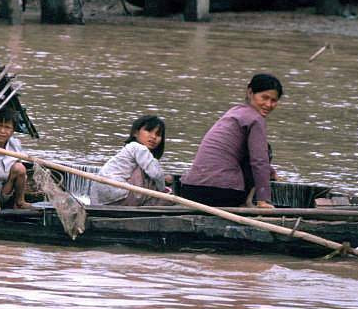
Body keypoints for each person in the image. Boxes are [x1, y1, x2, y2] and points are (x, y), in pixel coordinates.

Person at [181, 73, 282, 208]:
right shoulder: (256, 119)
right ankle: (247, 203)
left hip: (190, 190)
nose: (268, 104)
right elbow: (259, 161)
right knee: (266, 150)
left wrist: (269, 170)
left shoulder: (235, 112)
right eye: (264, 98)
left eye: (273, 100)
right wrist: (263, 200)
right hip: (220, 193)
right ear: (250, 92)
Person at [90, 115, 173, 206]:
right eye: (149, 131)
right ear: (135, 133)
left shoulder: (129, 148)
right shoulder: (138, 148)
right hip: (118, 192)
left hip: (101, 197)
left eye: (158, 134)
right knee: (155, 181)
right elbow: (156, 174)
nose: (153, 137)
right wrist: (162, 190)